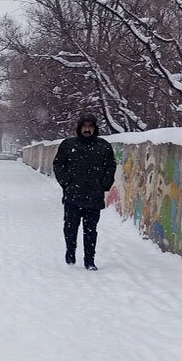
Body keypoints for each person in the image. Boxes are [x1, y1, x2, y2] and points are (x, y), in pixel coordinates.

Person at [53, 114, 117, 270]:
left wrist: (104, 184)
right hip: (72, 196)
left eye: (90, 126)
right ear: (79, 127)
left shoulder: (103, 146)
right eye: (84, 126)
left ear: (95, 128)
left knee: (91, 230)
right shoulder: (68, 145)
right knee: (70, 227)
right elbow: (58, 165)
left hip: (94, 196)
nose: (87, 129)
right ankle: (70, 251)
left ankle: (89, 260)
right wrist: (67, 183)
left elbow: (110, 166)